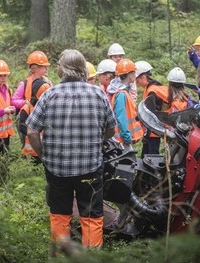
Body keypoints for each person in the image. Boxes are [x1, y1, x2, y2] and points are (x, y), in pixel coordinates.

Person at [26, 49, 116, 250]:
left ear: (63, 69)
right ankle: (91, 254)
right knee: (92, 213)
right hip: (91, 167)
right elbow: (111, 129)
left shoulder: (50, 95)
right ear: (83, 69)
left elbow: (31, 131)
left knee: (59, 212)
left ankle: (61, 251)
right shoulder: (98, 93)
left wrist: (42, 154)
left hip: (57, 168)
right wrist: (97, 140)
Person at [107, 59, 143, 152]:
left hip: (123, 139)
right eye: (134, 73)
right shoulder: (121, 94)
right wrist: (127, 138)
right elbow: (121, 118)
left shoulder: (122, 91)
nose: (135, 75)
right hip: (123, 141)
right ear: (129, 74)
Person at [135, 61, 168, 157]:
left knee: (152, 157)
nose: (137, 83)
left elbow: (150, 116)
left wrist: (146, 135)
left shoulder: (151, 91)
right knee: (146, 156)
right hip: (153, 131)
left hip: (152, 133)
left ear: (143, 77)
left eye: (137, 80)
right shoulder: (153, 87)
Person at [18, 79, 50, 160]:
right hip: (30, 150)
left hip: (44, 148)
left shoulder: (46, 107)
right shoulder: (27, 108)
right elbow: (21, 126)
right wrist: (34, 133)